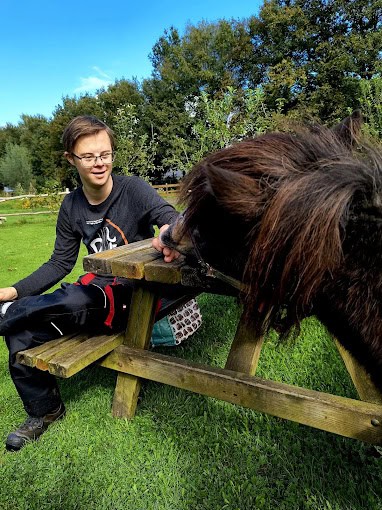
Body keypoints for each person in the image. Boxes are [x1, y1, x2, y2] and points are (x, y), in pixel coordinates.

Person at [0, 115, 180, 451]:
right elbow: (59, 263)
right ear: (71, 158)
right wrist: (10, 291)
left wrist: (171, 232)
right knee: (20, 330)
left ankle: (7, 312)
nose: (100, 163)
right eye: (89, 156)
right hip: (91, 295)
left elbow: (170, 218)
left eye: (105, 154)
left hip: (132, 295)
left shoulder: (133, 190)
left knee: (71, 301)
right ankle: (45, 411)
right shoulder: (71, 206)